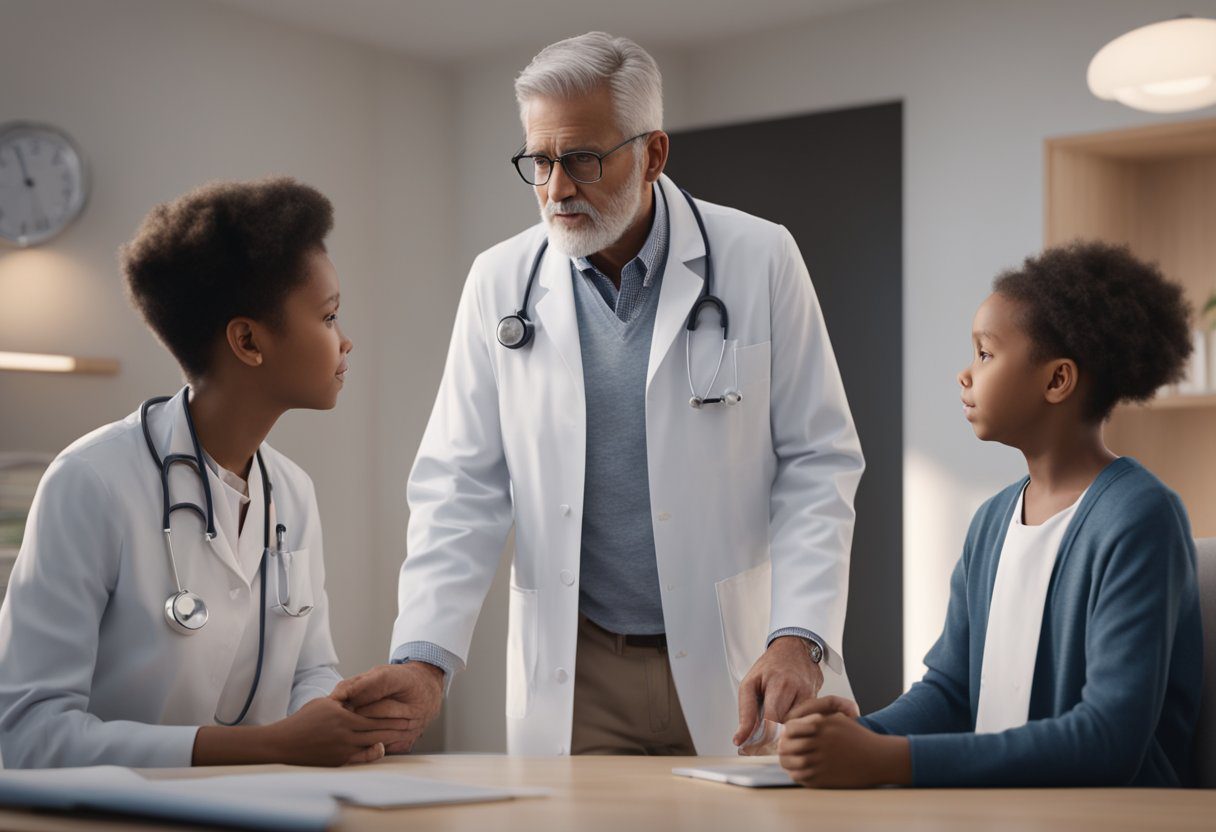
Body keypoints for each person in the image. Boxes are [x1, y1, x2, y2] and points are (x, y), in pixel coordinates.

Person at [334, 32, 864, 757]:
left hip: (740, 662)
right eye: (539, 161)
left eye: (582, 157)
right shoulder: (500, 282)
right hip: (580, 676)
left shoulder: (760, 258)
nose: (555, 187)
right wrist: (426, 658)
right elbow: (460, 486)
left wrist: (800, 636)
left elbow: (818, 463)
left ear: (652, 154)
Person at [0, 178, 411, 768]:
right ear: (247, 340)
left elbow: (311, 669)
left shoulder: (291, 493)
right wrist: (268, 746)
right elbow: (28, 733)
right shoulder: (89, 482)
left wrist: (341, 715)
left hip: (268, 808)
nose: (346, 342)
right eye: (328, 317)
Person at [777, 241, 1202, 787]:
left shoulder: (1140, 517)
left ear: (1056, 381)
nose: (965, 374)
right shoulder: (993, 521)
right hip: (1005, 809)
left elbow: (1108, 739)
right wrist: (864, 735)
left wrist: (891, 760)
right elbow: (951, 693)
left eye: (985, 353)